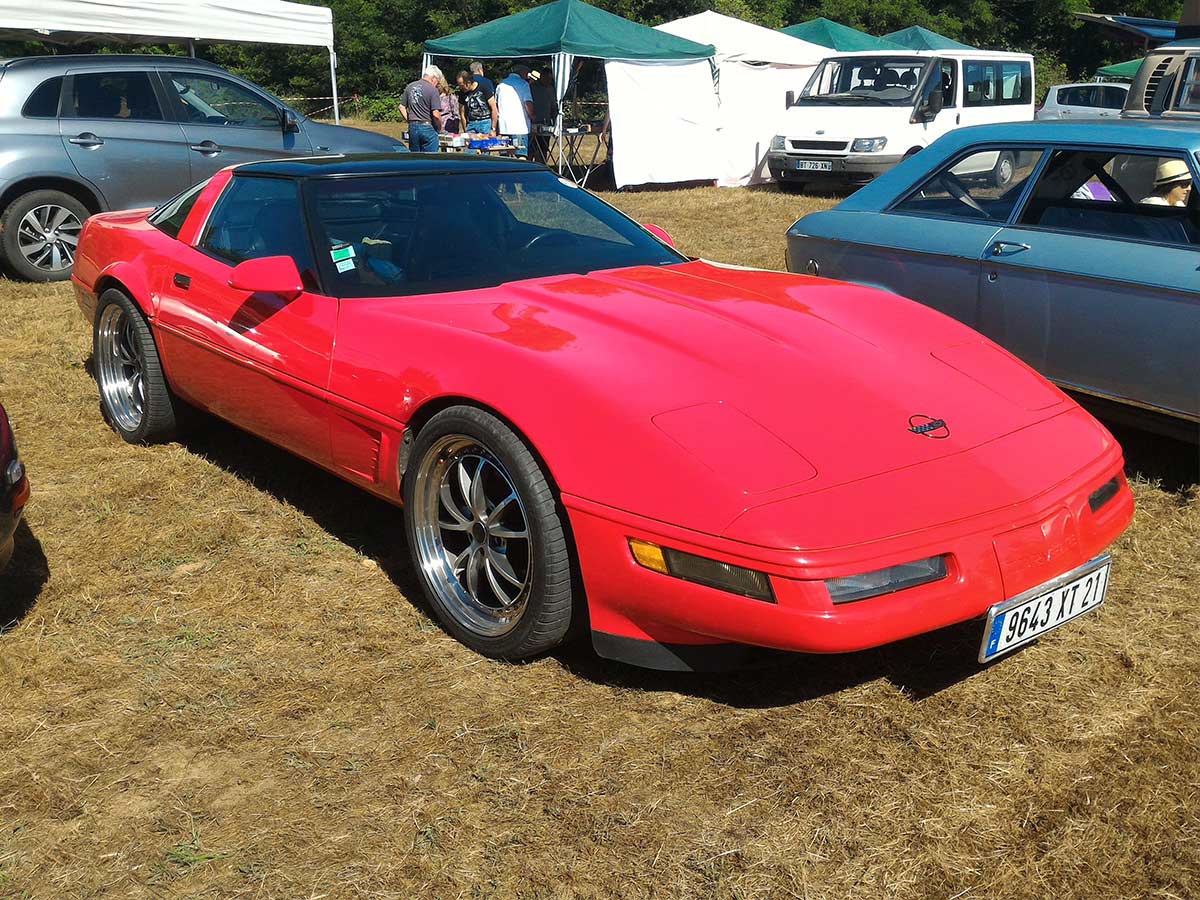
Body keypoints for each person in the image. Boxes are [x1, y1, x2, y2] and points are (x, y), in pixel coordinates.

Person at [399, 65, 444, 153]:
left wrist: (409, 120)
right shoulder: (433, 90)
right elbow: (435, 114)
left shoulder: (410, 86)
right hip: (427, 127)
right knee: (430, 159)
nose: (437, 84)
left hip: (413, 128)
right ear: (434, 78)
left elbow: (401, 107)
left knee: (415, 158)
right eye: (437, 81)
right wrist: (439, 128)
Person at [496, 65, 534, 158]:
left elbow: (496, 105)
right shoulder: (524, 84)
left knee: (504, 156)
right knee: (521, 155)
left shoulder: (501, 84)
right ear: (523, 72)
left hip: (504, 126)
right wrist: (532, 115)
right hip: (519, 126)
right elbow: (528, 103)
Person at [456, 70, 497, 136]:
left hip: (485, 123)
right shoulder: (462, 93)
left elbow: (494, 108)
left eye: (462, 85)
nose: (460, 88)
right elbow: (462, 113)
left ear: (468, 83)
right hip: (471, 124)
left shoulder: (484, 87)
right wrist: (465, 130)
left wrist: (493, 129)